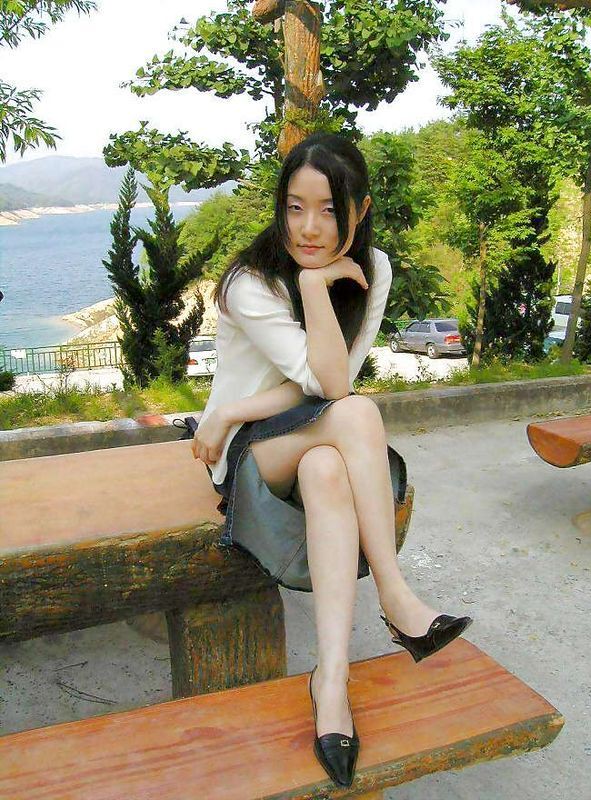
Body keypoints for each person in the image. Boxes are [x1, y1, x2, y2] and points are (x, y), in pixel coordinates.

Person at [191, 131, 472, 788]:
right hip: (248, 455)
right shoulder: (250, 282)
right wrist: (313, 289)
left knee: (327, 466)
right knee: (359, 413)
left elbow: (327, 384)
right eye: (295, 208)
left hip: (318, 437)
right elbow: (335, 387)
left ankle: (332, 684)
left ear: (359, 208)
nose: (309, 228)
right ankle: (396, 596)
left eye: (327, 209)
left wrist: (237, 402)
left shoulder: (376, 270)